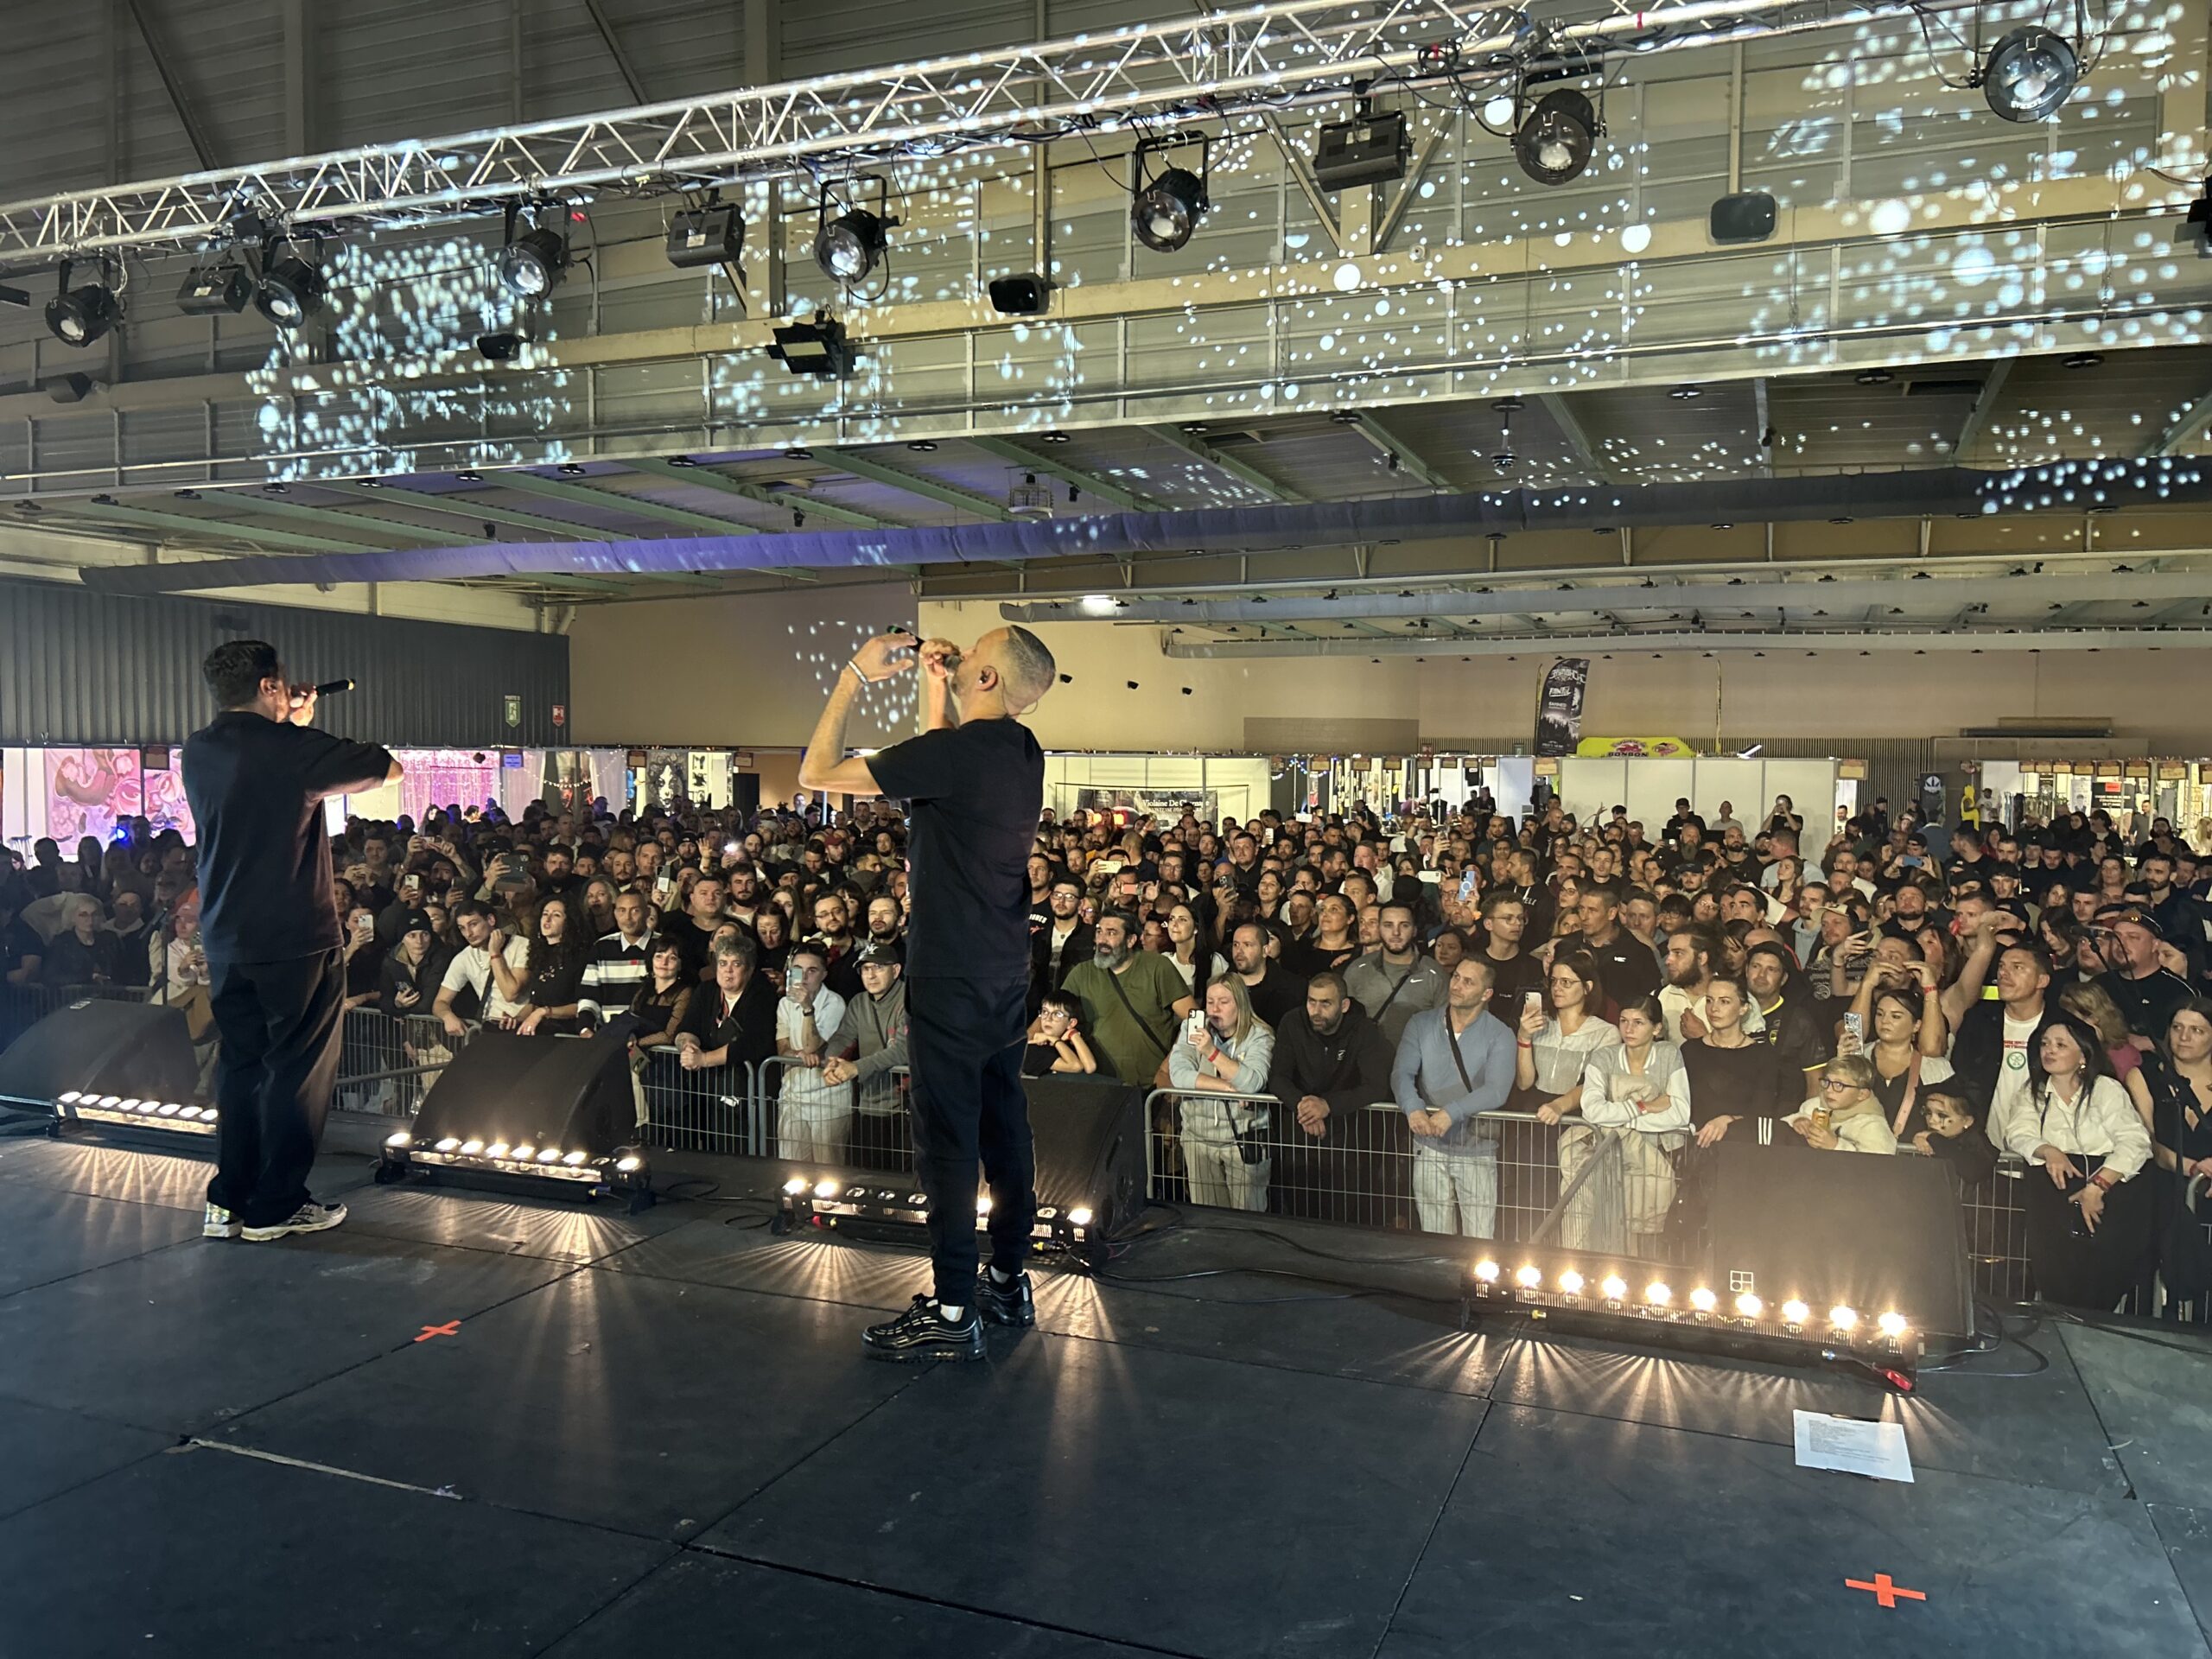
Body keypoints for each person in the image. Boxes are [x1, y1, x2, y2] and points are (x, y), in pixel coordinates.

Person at [798, 625, 1058, 1360]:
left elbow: (817, 771)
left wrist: (854, 675)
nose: (961, 654)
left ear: (989, 679)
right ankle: (1006, 1280)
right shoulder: (1022, 750)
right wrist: (934, 685)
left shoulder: (955, 756)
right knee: (1005, 1129)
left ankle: (950, 1311)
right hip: (1002, 972)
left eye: (973, 655)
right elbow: (941, 760)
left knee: (946, 1142)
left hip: (948, 975)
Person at [181, 640, 401, 1242]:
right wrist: (298, 727)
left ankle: (228, 1201)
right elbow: (388, 768)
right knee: (297, 1070)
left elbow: (260, 779)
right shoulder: (292, 748)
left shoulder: (197, 750)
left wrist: (289, 725)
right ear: (271, 687)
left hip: (226, 936)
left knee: (240, 1066)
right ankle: (277, 1204)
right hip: (295, 936)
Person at [1986, 1014, 2155, 1308]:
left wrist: (2098, 1186)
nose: (2049, 1050)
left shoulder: (2106, 1089)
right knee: (2058, 1281)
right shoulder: (2032, 1091)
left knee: (2102, 1281)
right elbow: (2017, 1133)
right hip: (2053, 1197)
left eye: (2061, 1045)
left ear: (2083, 1056)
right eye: (2045, 1044)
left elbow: (2135, 1141)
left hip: (2108, 1190)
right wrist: (2047, 1150)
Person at [1392, 957, 1515, 1237]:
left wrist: (1451, 1112)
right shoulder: (1421, 1023)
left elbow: (1497, 1090)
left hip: (1477, 1148)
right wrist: (1413, 1108)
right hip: (1429, 1143)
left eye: (1468, 982)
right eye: (1456, 977)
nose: (1457, 985)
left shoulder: (1500, 1034)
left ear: (1486, 994)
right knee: (1434, 1235)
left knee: (1479, 1237)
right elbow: (1402, 1073)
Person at [1264, 969, 1395, 1224]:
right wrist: (1305, 1108)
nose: (1316, 1011)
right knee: (1299, 1214)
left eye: (1326, 1003)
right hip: (1299, 1134)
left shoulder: (1364, 1030)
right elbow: (1278, 1077)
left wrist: (1328, 1105)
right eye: (1311, 1001)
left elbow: (1376, 1086)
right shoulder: (1293, 1022)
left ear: (1344, 1005)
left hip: (1347, 1138)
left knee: (1341, 1216)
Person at [1568, 992, 1690, 1253]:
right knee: (1604, 1227)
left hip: (1653, 1157)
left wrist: (1621, 1120)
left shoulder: (1668, 1054)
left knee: (1646, 1235)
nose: (1628, 1029)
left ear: (1657, 1028)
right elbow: (1592, 1110)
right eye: (1624, 1021)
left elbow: (1680, 1112)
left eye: (1638, 1022)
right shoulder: (1605, 1057)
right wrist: (1644, 1107)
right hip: (1607, 1157)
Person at [1166, 974, 1276, 1211]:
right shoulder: (1192, 1028)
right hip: (1199, 1139)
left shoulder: (1260, 1035)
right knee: (1208, 1217)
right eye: (1210, 1002)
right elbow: (1179, 1075)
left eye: (1224, 1002)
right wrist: (1229, 1088)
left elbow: (1253, 1082)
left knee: (1247, 1217)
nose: (1215, 1009)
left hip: (1242, 1142)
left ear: (1241, 1004)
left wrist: (1211, 1052)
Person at [1063, 908, 1194, 1094]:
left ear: (1131, 940)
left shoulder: (1157, 967)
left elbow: (1195, 1020)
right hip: (1098, 1085)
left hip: (1151, 1086)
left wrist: (1168, 1068)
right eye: (1099, 932)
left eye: (1111, 933)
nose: (1102, 940)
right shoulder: (1082, 973)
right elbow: (1053, 1012)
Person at [822, 941, 912, 1166]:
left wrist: (856, 1067)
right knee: (868, 1173)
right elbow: (843, 1038)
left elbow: (904, 1050)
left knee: (904, 1176)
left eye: (878, 967)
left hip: (906, 1106)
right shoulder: (859, 1002)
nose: (871, 975)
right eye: (865, 969)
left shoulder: (910, 1000)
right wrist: (832, 1062)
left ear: (896, 970)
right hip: (869, 1103)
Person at [1682, 973, 1794, 1147]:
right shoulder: (1690, 1051)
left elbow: (1763, 1112)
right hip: (1694, 1145)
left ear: (1743, 1009)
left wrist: (1729, 1120)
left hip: (1742, 1147)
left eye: (1724, 1002)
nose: (1714, 1009)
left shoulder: (1764, 1055)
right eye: (1709, 1001)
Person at [1513, 953, 1621, 1122]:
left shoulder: (1605, 1033)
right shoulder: (1539, 1023)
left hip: (1576, 1117)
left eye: (1566, 982)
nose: (1557, 988)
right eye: (1554, 981)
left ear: (1587, 987)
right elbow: (1524, 1083)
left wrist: (1559, 1106)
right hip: (1534, 1114)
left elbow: (1594, 1083)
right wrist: (1524, 1038)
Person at [1344, 901, 1446, 1051]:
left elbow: (1446, 1031)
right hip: (1365, 1061)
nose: (1396, 933)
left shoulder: (1435, 974)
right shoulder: (1357, 970)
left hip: (1417, 1062)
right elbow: (1345, 1025)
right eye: (1388, 925)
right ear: (1379, 928)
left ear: (1414, 930)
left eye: (1404, 925)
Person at [433, 900, 531, 1035]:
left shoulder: (522, 946)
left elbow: (510, 993)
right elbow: (440, 1002)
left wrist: (495, 953)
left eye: (473, 924)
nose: (468, 933)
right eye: (462, 928)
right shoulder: (464, 957)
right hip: (489, 1029)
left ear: (491, 920)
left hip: (524, 1027)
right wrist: (447, 1016)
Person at [1782, 1055, 1898, 1153]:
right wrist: (1797, 1121)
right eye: (1827, 1082)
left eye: (1839, 1085)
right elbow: (1778, 1129)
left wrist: (1835, 1146)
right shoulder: (1813, 1106)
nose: (1829, 1090)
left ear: (1862, 1094)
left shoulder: (1873, 1128)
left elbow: (1877, 1167)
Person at [1909, 1085, 1997, 1188]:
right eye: (1928, 1113)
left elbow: (1973, 1171)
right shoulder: (1927, 1136)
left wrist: (1934, 1140)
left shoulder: (1978, 1142)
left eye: (1942, 1115)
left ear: (1967, 1121)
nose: (1932, 1120)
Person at [1229, 919, 1301, 1031]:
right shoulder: (1220, 986)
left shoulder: (1293, 988)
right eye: (1236, 945)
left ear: (1265, 950)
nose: (1239, 951)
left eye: (1247, 945)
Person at [1022, 990, 1101, 1078]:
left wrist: (1073, 1034)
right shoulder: (1035, 1049)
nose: (1048, 1018)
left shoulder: (1070, 1044)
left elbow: (1090, 1067)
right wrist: (1054, 1039)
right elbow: (1076, 1066)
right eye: (1045, 1012)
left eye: (1057, 1014)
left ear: (1071, 1022)